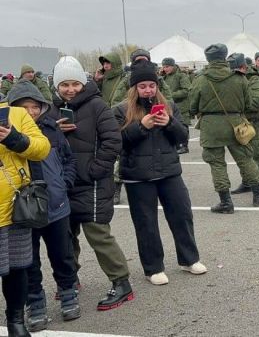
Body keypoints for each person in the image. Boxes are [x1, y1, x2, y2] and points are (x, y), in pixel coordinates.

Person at [50, 56, 134, 310]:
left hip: (92, 183)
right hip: (63, 183)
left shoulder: (97, 106)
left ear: (82, 81)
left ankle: (121, 283)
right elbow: (39, 141)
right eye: (64, 85)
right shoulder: (50, 109)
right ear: (56, 86)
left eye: (75, 83)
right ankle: (70, 279)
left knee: (98, 234)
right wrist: (53, 130)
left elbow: (113, 141)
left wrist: (96, 170)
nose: (70, 89)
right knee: (65, 236)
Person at [113, 61, 206, 285]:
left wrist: (169, 123)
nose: (148, 90)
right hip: (137, 176)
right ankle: (153, 268)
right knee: (146, 223)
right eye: (143, 86)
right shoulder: (120, 110)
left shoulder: (170, 106)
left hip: (169, 172)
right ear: (134, 88)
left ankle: (189, 259)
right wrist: (141, 126)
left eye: (152, 85)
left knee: (182, 215)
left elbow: (183, 136)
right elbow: (117, 142)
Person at [7, 82, 80, 331]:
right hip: (23, 210)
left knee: (62, 254)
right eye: (23, 107)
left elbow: (68, 160)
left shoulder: (52, 130)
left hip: (56, 205)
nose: (30, 112)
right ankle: (35, 302)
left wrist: (65, 183)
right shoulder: (5, 135)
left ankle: (68, 291)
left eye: (35, 107)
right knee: (28, 261)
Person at [188, 44, 259, 212]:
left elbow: (192, 107)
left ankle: (226, 202)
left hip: (211, 127)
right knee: (246, 159)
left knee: (217, 164)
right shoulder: (239, 78)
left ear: (208, 59)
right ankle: (258, 195)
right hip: (236, 124)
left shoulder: (200, 79)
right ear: (224, 57)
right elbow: (248, 104)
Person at [0, 92, 51, 337]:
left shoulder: (16, 114)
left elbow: (42, 148)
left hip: (13, 209)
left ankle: (15, 322)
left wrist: (14, 138)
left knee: (17, 269)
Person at [227, 54, 259, 196]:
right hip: (241, 122)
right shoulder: (233, 80)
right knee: (243, 155)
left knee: (257, 153)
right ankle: (247, 182)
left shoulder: (255, 80)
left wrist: (237, 104)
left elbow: (257, 103)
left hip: (256, 122)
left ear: (243, 67)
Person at [160, 58, 192, 154]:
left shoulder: (181, 76)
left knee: (183, 125)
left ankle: (184, 145)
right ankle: (176, 144)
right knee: (172, 125)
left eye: (167, 66)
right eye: (164, 67)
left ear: (173, 66)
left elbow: (186, 90)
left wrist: (170, 96)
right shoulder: (164, 77)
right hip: (169, 106)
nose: (165, 69)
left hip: (181, 105)